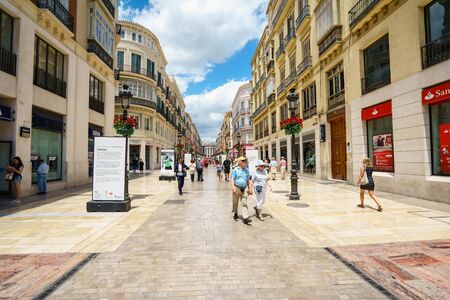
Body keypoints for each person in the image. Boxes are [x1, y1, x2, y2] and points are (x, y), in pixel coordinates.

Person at [230, 157, 254, 225]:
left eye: (245, 161)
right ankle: (235, 212)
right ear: (239, 162)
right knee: (235, 202)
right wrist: (233, 188)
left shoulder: (247, 170)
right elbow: (232, 179)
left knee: (244, 203)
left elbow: (249, 179)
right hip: (236, 188)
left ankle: (245, 217)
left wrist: (249, 188)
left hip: (244, 188)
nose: (245, 162)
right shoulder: (235, 170)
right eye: (243, 161)